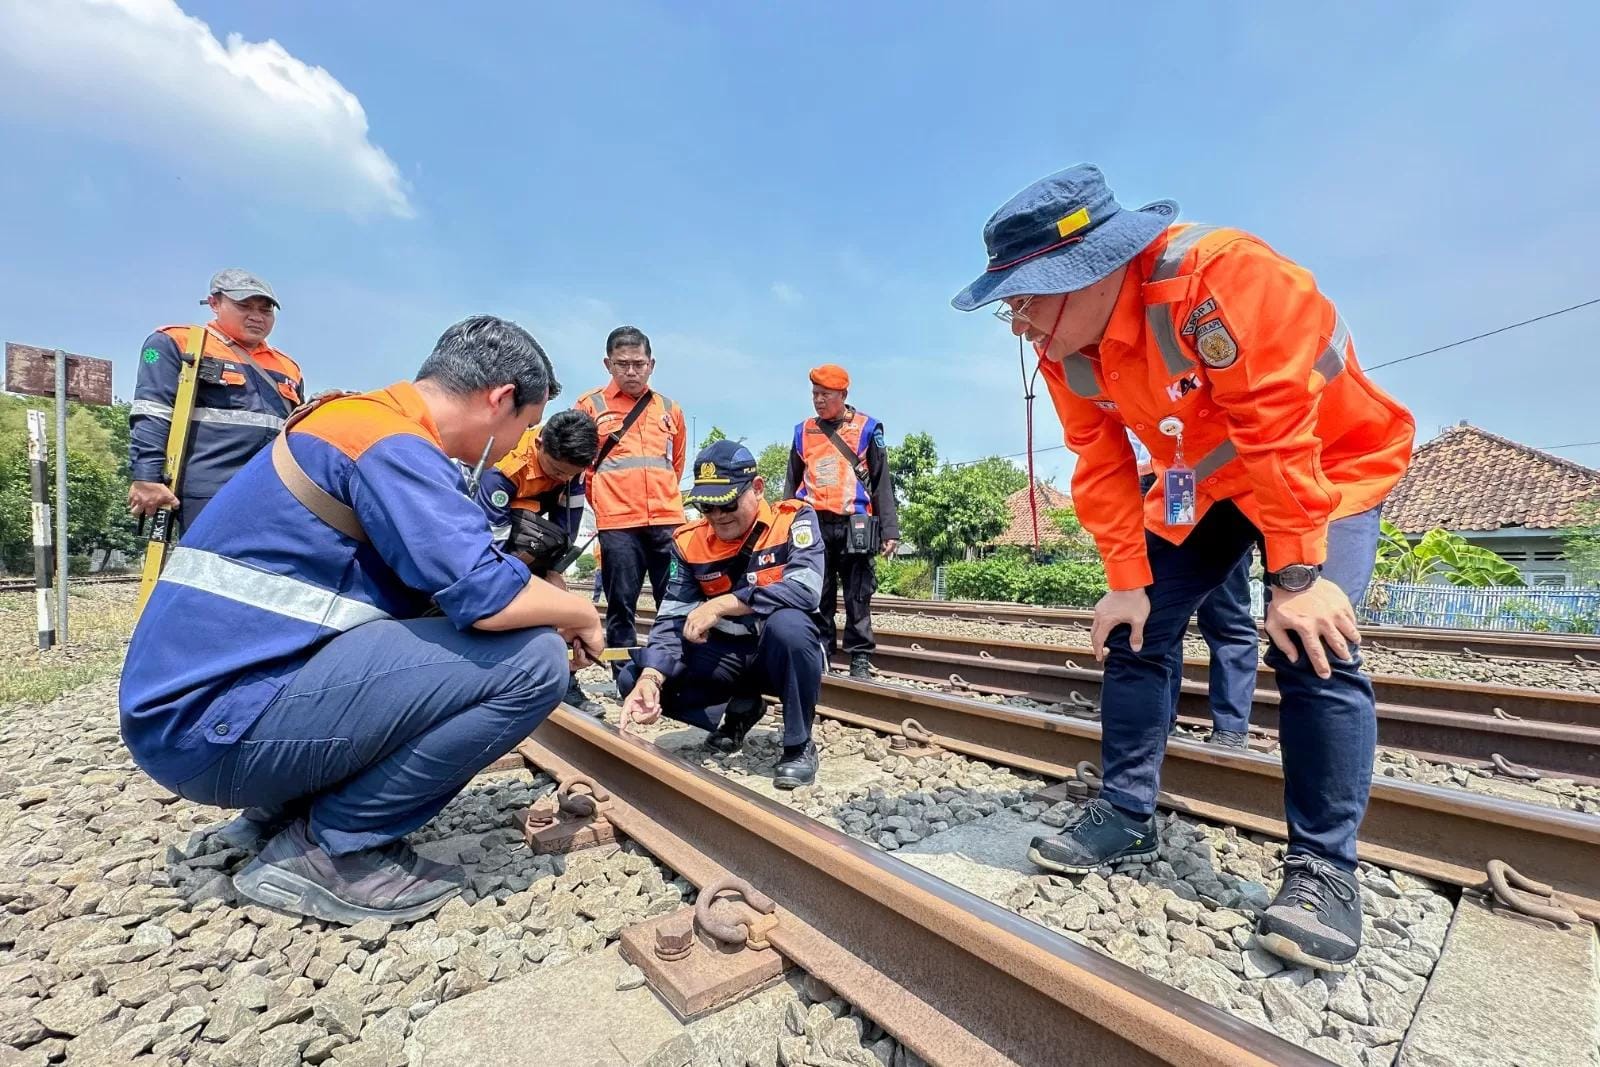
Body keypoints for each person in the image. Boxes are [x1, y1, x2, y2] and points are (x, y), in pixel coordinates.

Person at [951, 165, 1415, 971]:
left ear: (1092, 267)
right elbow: (1097, 462)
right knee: (1138, 629)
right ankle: (1127, 809)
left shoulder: (1226, 276)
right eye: (1009, 303)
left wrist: (1298, 578)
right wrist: (1125, 579)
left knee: (1313, 641)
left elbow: (1276, 429)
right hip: (1212, 483)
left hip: (1324, 467)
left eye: (1025, 294)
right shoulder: (1068, 351)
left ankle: (1324, 871)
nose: (1016, 318)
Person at [120, 315, 605, 925]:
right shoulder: (389, 443)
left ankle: (284, 812)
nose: (516, 447)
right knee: (532, 662)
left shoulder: (359, 424)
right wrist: (579, 609)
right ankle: (335, 850)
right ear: (501, 399)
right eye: (524, 427)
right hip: (216, 729)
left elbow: (449, 582)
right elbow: (485, 595)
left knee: (462, 626)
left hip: (197, 713)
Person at [618, 441, 827, 788]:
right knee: (633, 677)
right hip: (727, 657)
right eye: (707, 507)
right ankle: (742, 708)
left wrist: (721, 604)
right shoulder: (688, 542)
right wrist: (650, 678)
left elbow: (805, 589)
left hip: (776, 653)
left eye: (727, 504)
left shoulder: (794, 521)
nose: (718, 517)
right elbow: (671, 618)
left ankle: (799, 744)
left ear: (757, 489)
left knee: (789, 625)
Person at [128, 269, 305, 533]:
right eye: (244, 306)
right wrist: (146, 477)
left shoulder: (288, 367)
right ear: (214, 303)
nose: (256, 316)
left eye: (265, 310)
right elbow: (153, 411)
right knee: (206, 569)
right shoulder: (176, 342)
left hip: (271, 488)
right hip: (207, 489)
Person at [476, 408, 603, 714]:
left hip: (534, 537)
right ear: (541, 443)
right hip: (495, 540)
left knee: (559, 601)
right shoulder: (505, 468)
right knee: (510, 603)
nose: (562, 478)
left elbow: (566, 528)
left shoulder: (574, 469)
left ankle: (565, 682)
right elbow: (489, 548)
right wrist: (523, 586)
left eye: (570, 474)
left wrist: (553, 573)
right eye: (557, 470)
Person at [574, 326, 687, 656]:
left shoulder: (669, 409)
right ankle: (623, 674)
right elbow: (582, 468)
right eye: (623, 364)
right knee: (621, 604)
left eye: (639, 364)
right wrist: (607, 506)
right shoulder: (590, 407)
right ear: (608, 364)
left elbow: (675, 464)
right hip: (618, 524)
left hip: (666, 521)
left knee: (675, 601)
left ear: (651, 364)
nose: (632, 371)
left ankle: (671, 668)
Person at [784, 364, 899, 679]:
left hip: (856, 522)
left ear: (843, 395)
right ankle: (821, 650)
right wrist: (784, 525)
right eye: (815, 394)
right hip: (814, 523)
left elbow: (881, 481)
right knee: (818, 593)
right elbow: (791, 485)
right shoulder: (802, 431)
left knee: (858, 593)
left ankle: (860, 656)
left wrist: (890, 530)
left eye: (825, 394)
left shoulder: (867, 429)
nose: (818, 400)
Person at [1140, 460, 1258, 747]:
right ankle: (1156, 719)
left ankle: (1231, 727)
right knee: (1159, 618)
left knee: (1226, 612)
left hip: (1207, 475)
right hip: (1155, 479)